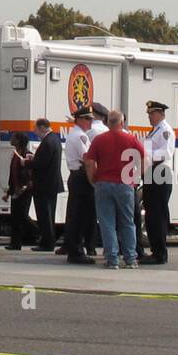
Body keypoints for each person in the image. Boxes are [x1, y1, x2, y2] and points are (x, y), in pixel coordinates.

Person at [84, 109, 145, 269]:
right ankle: (131, 259)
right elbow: (146, 159)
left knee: (107, 222)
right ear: (122, 122)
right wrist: (136, 177)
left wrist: (92, 179)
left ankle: (112, 259)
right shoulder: (131, 139)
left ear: (107, 122)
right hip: (125, 184)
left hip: (103, 184)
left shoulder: (99, 140)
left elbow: (89, 162)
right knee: (127, 222)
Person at [62, 106, 99, 264]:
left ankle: (74, 249)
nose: (90, 122)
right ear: (79, 120)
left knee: (75, 214)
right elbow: (88, 159)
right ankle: (76, 251)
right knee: (80, 215)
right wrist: (94, 180)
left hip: (76, 176)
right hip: (81, 177)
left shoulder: (76, 134)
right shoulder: (81, 137)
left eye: (91, 119)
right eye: (87, 119)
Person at [142, 101, 175, 265]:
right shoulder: (154, 131)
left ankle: (160, 253)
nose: (149, 117)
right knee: (150, 213)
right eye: (148, 114)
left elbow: (165, 153)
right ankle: (155, 249)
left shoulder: (165, 130)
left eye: (152, 114)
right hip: (151, 173)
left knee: (158, 214)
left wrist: (147, 156)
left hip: (160, 172)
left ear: (160, 114)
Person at [30, 118, 64, 252]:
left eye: (36, 129)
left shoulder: (48, 142)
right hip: (50, 184)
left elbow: (41, 164)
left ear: (43, 127)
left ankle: (47, 243)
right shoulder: (54, 140)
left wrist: (27, 162)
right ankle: (47, 241)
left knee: (45, 215)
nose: (35, 131)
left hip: (45, 184)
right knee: (48, 214)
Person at [3, 132, 34, 250]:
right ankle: (15, 243)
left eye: (14, 138)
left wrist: (24, 187)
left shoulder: (27, 154)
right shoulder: (15, 155)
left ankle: (38, 231)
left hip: (24, 191)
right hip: (16, 191)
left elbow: (30, 174)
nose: (11, 139)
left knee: (22, 216)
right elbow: (13, 175)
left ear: (19, 141)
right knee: (15, 218)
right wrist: (9, 192)